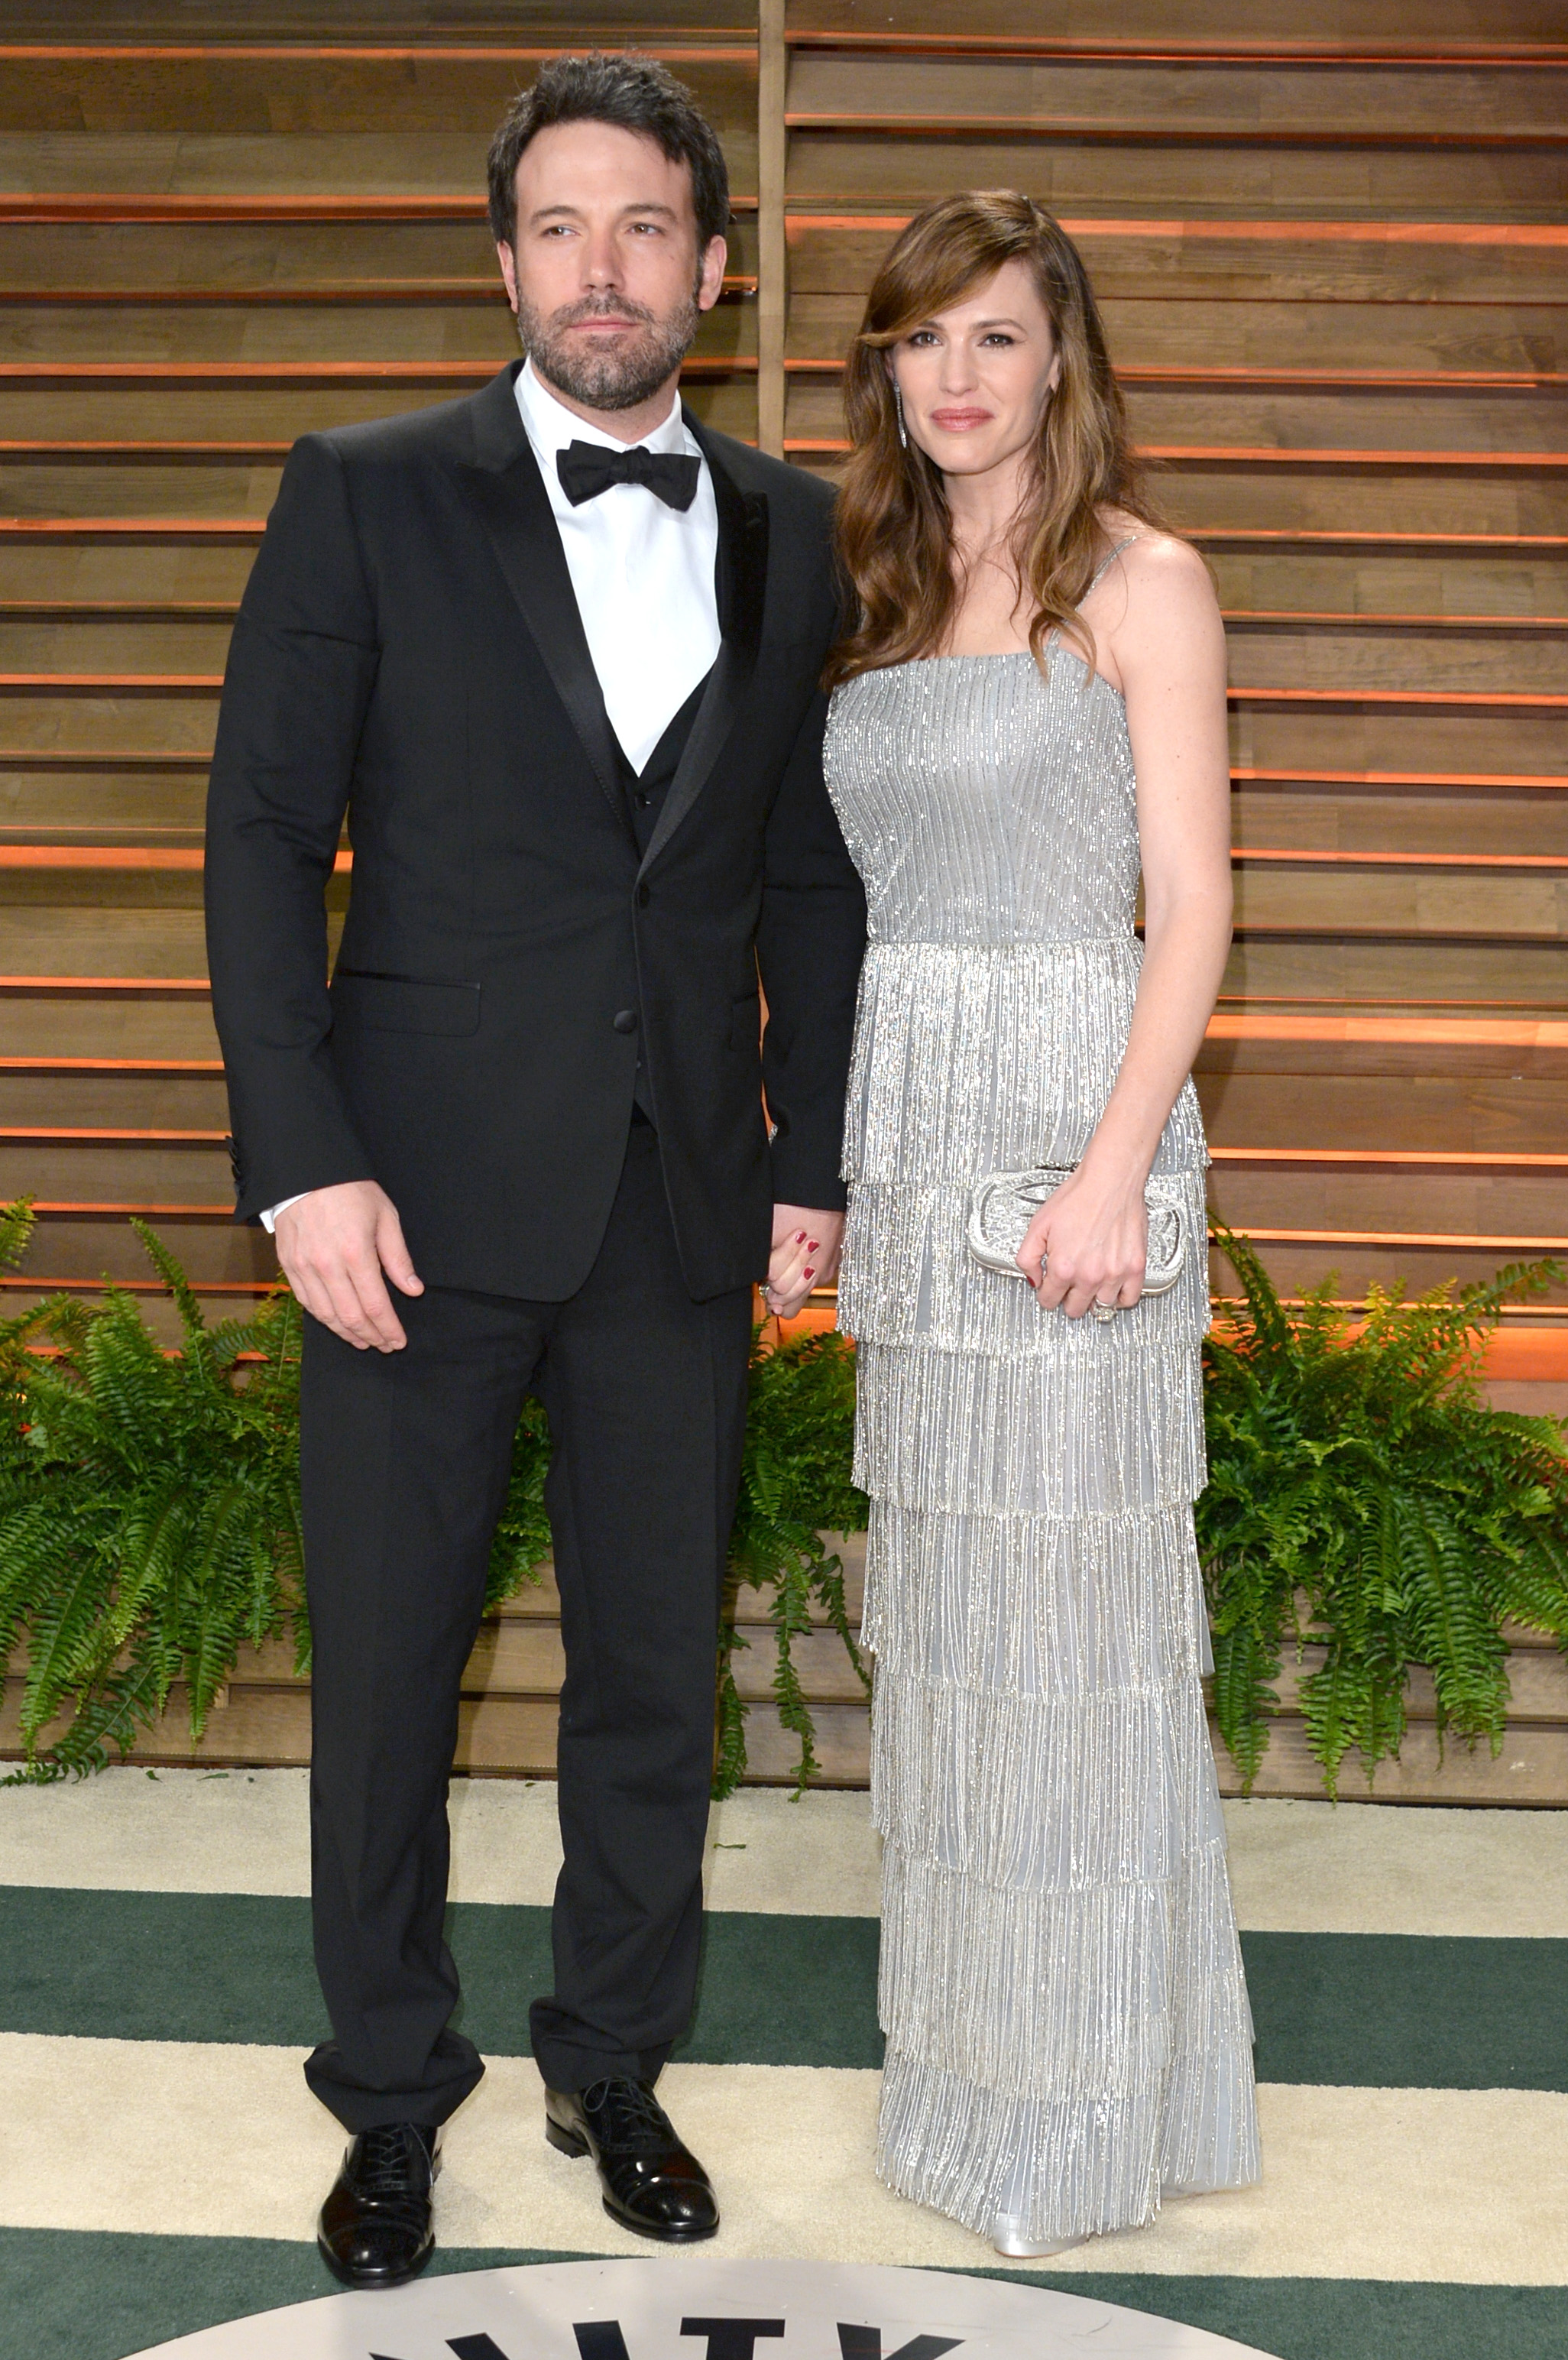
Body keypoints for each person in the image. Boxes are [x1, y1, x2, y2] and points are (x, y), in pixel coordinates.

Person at [205, 53, 864, 2287]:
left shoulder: (788, 523)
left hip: (679, 1206)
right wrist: (302, 1168)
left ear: (710, 264)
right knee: (388, 1677)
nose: (607, 268)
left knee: (652, 1683)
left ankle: (613, 2064)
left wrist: (812, 1157)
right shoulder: (362, 490)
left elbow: (801, 877)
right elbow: (260, 841)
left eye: (648, 227)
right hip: (407, 1205)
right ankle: (389, 2100)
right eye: (563, 228)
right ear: (502, 264)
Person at [822, 192, 1259, 2258]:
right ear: (883, 371)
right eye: (924, 343)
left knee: (1080, 1639)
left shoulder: (1142, 583)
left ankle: (1089, 2117)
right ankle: (975, 2080)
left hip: (1077, 1131)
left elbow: (1194, 909)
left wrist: (1111, 1169)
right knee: (956, 1644)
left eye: (997, 338)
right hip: (913, 1145)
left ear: (1062, 357)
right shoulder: (875, 582)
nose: (960, 379)